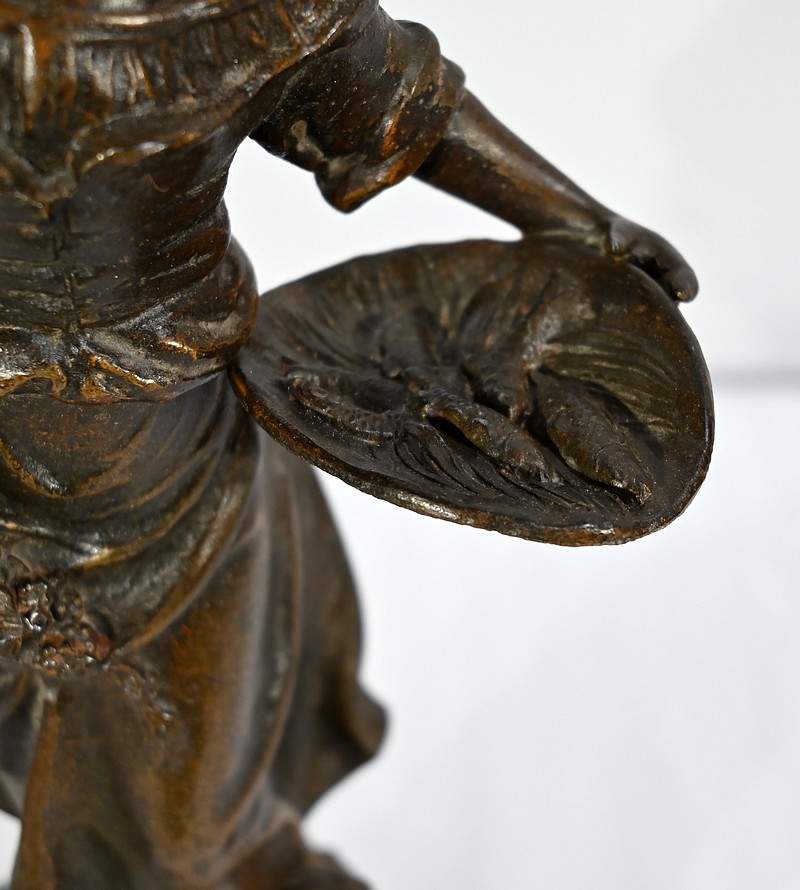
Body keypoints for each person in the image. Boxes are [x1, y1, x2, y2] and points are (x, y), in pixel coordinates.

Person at [0, 1, 696, 887]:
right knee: (134, 798)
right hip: (44, 467)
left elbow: (397, 104)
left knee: (180, 810)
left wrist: (578, 220)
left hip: (174, 467)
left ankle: (244, 856)